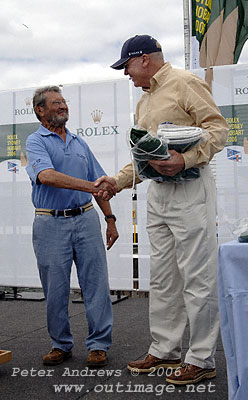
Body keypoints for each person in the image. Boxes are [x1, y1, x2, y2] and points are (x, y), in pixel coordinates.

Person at [95, 34, 229, 385]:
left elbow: (218, 130)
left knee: (197, 278)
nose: (126, 74)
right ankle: (165, 349)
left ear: (142, 60)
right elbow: (142, 157)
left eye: (126, 66)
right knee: (164, 277)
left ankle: (201, 357)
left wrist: (184, 158)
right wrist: (117, 181)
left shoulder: (185, 83)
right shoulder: (144, 103)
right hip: (158, 195)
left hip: (189, 190)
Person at [26, 86, 118, 367]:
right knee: (55, 288)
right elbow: (47, 176)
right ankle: (61, 344)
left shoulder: (80, 143)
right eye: (56, 103)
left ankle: (99, 345)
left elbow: (99, 181)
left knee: (97, 284)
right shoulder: (35, 141)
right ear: (41, 110)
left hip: (86, 219)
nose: (63, 106)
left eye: (64, 102)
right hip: (49, 222)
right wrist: (91, 186)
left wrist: (110, 219)